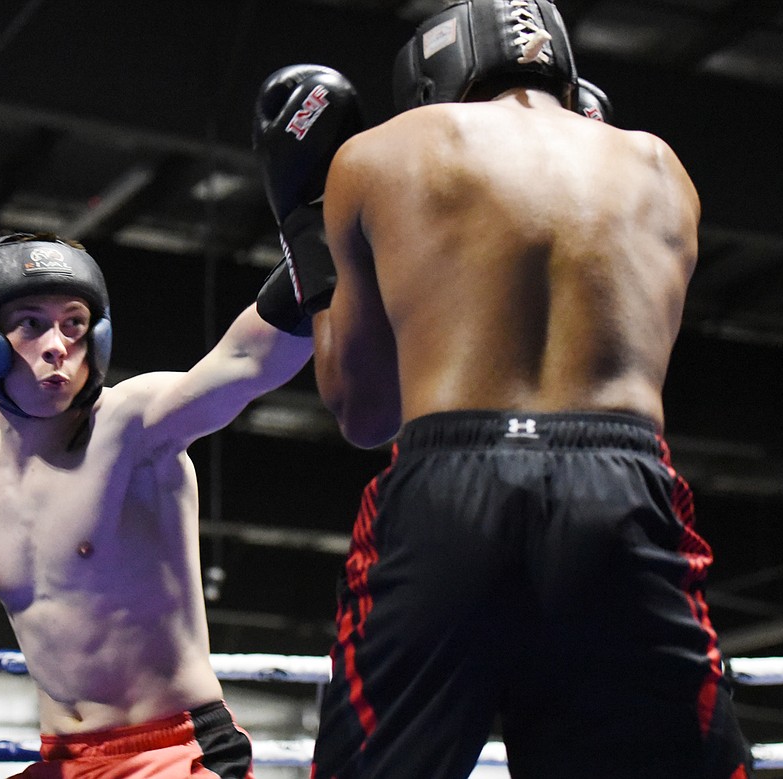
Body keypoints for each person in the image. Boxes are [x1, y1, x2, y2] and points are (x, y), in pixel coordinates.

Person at [254, 1, 753, 777]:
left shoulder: (381, 154)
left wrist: (305, 229)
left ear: (431, 80)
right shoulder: (661, 169)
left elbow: (362, 408)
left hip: (450, 485)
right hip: (621, 487)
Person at [0, 232, 314, 778]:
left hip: (172, 752)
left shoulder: (134, 428)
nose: (57, 345)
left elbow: (247, 360)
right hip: (63, 761)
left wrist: (316, 246)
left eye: (74, 323)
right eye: (31, 324)